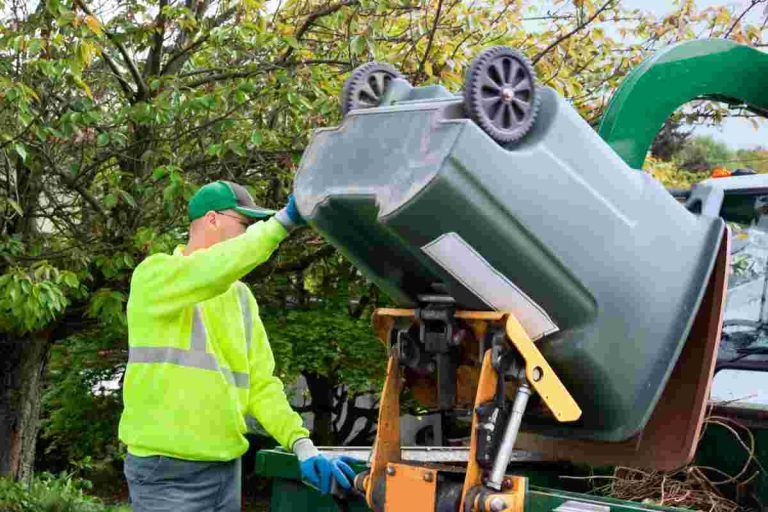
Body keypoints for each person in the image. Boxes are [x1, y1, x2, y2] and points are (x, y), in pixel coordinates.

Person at [119, 181, 356, 511]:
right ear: (212, 219)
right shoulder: (154, 277)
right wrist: (282, 223)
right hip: (167, 474)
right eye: (244, 223)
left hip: (226, 469)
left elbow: (261, 385)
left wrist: (301, 443)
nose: (251, 232)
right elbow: (212, 269)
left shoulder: (241, 298)